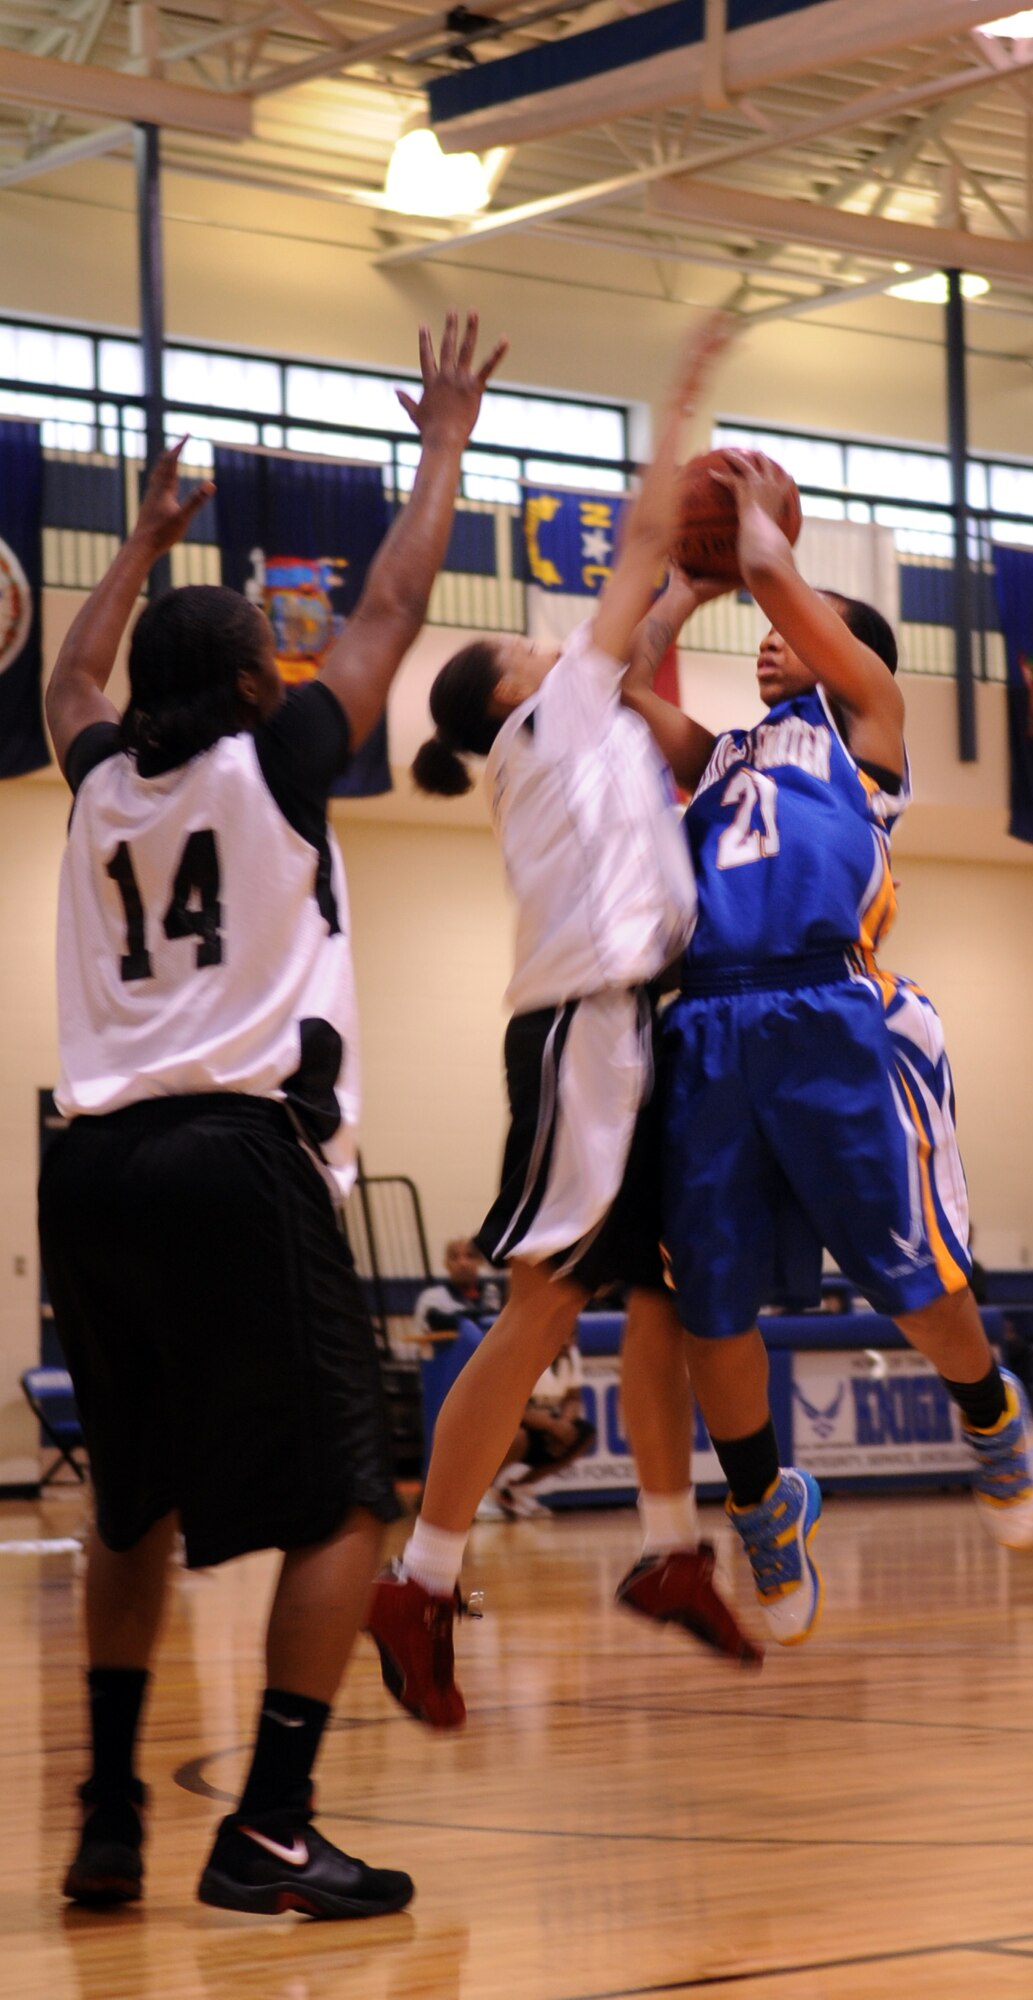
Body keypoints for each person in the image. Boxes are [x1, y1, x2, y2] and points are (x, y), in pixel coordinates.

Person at [40, 309, 505, 1916]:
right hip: (235, 1157)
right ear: (251, 677)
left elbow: (71, 673)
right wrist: (441, 445)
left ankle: (110, 1814)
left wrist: (141, 540)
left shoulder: (98, 780)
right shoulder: (280, 759)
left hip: (85, 1168)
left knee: (135, 1497)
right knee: (357, 1497)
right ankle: (272, 1826)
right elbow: (391, 601)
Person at [366, 314, 760, 1732]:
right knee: (542, 1305)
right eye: (522, 643)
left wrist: (724, 571)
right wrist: (684, 395)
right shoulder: (554, 722)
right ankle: (419, 1576)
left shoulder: (575, 715)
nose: (549, 639)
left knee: (654, 1295)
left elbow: (656, 603)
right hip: (586, 1029)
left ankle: (668, 1552)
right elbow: (646, 549)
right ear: (513, 695)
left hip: (635, 1027)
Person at [617, 455, 1033, 1645]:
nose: (769, 642)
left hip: (823, 1010)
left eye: (793, 631)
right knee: (710, 1302)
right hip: (704, 1021)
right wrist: (679, 595)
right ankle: (764, 1501)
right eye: (761, 631)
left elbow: (774, 572)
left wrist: (753, 548)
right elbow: (609, 683)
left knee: (908, 1272)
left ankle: (988, 1413)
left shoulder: (868, 727)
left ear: (844, 646)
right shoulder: (719, 757)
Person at [488, 1340, 597, 1519]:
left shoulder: (569, 1354)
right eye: (565, 1332)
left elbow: (573, 1398)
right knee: (517, 1436)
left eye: (573, 1333)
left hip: (544, 1424)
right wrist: (553, 1426)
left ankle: (517, 1490)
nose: (569, 1339)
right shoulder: (523, 1353)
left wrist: (564, 1423)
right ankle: (484, 1494)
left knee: (583, 1434)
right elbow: (514, 1407)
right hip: (504, 1423)